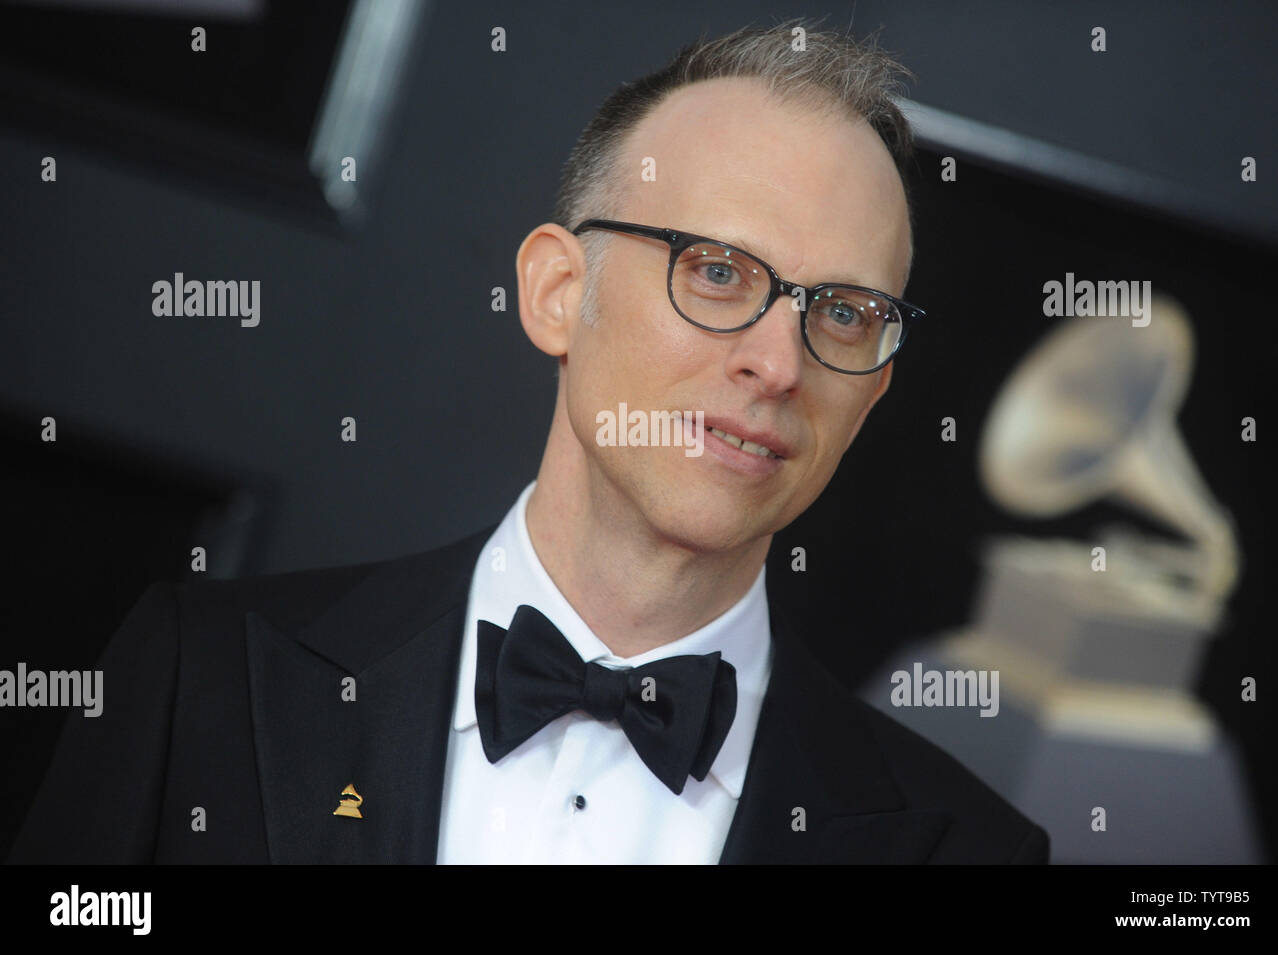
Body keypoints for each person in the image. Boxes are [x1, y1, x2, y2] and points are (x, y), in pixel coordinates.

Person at [9, 21, 1049, 865]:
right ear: (558, 293)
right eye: (719, 271)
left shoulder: (967, 851)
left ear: (874, 390)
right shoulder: (205, 679)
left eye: (843, 313)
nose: (777, 365)